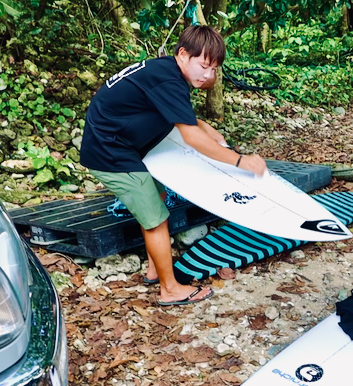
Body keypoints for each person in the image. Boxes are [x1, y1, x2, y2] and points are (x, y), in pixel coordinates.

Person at [80, 25, 267, 306]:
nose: (208, 75)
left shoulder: (166, 71)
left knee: (159, 197)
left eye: (214, 68)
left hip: (121, 143)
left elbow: (186, 120)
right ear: (183, 54)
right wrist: (241, 161)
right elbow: (190, 136)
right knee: (156, 219)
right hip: (110, 152)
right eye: (204, 66)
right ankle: (169, 290)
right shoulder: (169, 81)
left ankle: (155, 268)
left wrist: (210, 131)